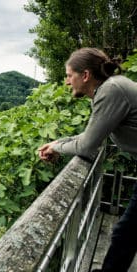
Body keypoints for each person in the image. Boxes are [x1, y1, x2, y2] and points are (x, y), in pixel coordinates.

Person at [38, 47, 137, 272]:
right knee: (128, 231)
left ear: (85, 75)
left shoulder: (111, 91)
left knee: (126, 231)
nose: (66, 82)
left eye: (69, 75)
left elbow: (87, 145)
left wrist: (59, 147)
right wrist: (56, 144)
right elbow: (90, 136)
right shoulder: (111, 89)